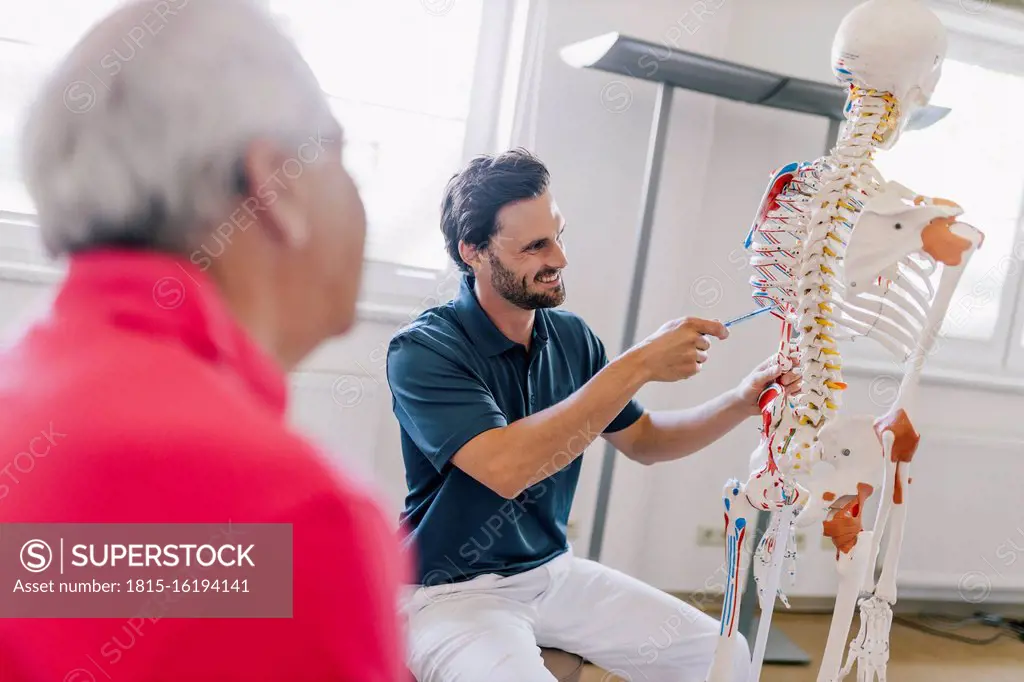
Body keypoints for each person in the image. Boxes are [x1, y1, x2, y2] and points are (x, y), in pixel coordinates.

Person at [0, 1, 406, 680]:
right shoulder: (291, 521)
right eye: (342, 154)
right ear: (275, 182)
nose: (359, 195)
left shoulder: (25, 392)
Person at [385, 148, 800, 682]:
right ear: (473, 251)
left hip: (552, 573)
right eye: (535, 245)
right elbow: (506, 468)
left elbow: (645, 440)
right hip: (448, 592)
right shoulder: (423, 350)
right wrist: (638, 364)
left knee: (725, 655)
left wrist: (740, 401)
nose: (559, 257)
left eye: (559, 234)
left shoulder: (572, 337)